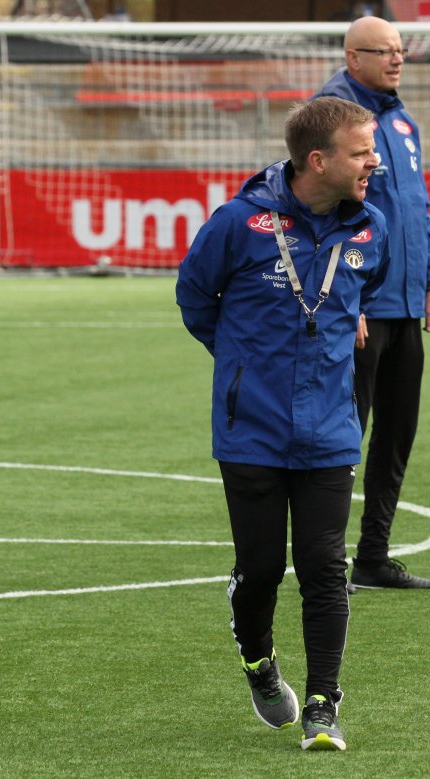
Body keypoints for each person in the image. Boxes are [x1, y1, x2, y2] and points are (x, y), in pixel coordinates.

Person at [176, 96, 389, 752]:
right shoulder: (239, 223)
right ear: (317, 160)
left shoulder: (371, 227)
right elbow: (193, 295)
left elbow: (363, 289)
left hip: (330, 427)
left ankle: (324, 703)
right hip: (252, 428)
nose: (373, 162)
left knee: (324, 565)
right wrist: (241, 366)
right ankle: (258, 663)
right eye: (361, 152)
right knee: (262, 568)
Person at [315, 16, 430, 591]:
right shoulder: (332, 118)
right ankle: (327, 560)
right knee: (343, 436)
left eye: (401, 50)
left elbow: (415, 209)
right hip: (359, 311)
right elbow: (322, 214)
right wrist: (348, 300)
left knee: (396, 433)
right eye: (385, 51)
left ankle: (373, 556)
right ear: (353, 58)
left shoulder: (401, 120)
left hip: (405, 306)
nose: (397, 59)